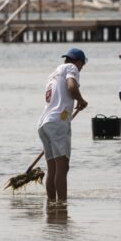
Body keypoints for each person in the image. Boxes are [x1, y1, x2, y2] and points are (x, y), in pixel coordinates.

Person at [37, 48, 88, 202]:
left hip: (43, 123)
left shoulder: (53, 74)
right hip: (57, 123)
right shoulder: (71, 68)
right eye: (82, 65)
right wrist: (80, 100)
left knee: (52, 168)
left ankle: (52, 205)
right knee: (62, 167)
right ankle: (62, 205)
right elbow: (72, 86)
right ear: (77, 61)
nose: (81, 68)